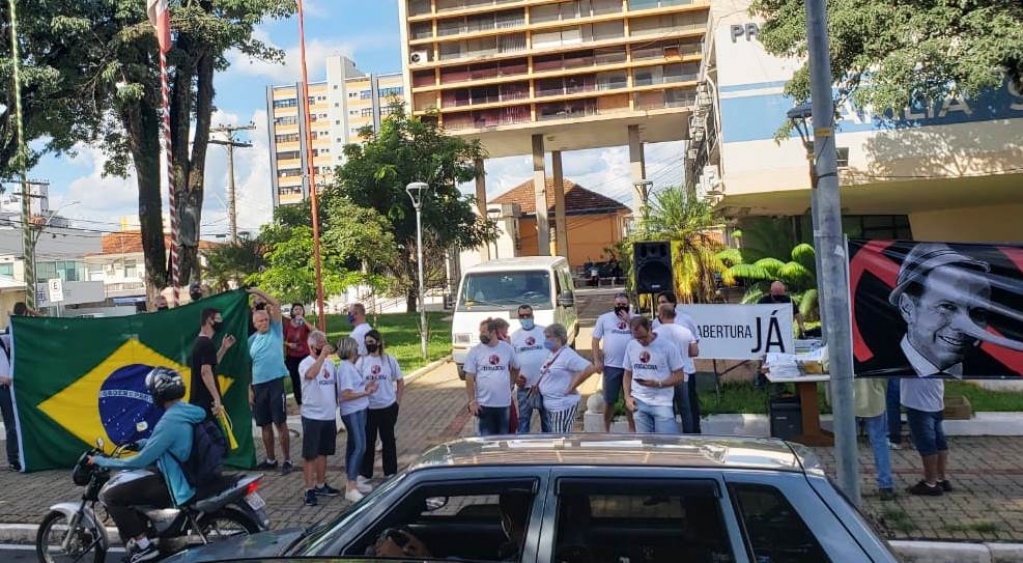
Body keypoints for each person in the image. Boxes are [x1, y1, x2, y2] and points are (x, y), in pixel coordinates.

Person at [887, 244, 992, 496]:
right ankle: (942, 478)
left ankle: (931, 482)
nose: (965, 326)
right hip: (932, 400)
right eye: (947, 306)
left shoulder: (938, 360)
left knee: (927, 442)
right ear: (908, 308)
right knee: (939, 439)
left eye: (976, 311)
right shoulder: (908, 358)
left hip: (921, 402)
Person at [89, 368, 206, 563]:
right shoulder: (186, 411)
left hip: (175, 484)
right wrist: (142, 443)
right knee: (137, 484)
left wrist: (103, 461)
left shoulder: (169, 420)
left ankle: (145, 548)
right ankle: (150, 532)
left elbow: (139, 462)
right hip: (184, 474)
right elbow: (167, 442)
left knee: (112, 495)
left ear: (159, 394)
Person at [247, 287, 293, 475]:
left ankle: (287, 459)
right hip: (258, 385)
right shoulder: (250, 341)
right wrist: (249, 388)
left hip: (275, 383)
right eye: (261, 321)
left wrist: (257, 291)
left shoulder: (276, 330)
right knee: (264, 424)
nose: (265, 322)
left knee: (280, 422)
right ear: (255, 323)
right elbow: (248, 366)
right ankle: (270, 458)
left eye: (266, 319)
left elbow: (276, 304)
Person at [298, 331, 341, 506]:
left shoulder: (331, 365)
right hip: (312, 415)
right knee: (310, 454)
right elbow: (310, 375)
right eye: (320, 344)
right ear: (312, 346)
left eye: (325, 343)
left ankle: (321, 484)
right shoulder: (305, 363)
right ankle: (309, 489)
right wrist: (322, 357)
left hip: (328, 415)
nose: (324, 347)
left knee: (323, 452)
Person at [623, 316, 685, 434]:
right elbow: (627, 374)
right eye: (637, 338)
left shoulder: (668, 347)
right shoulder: (631, 346)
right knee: (646, 445)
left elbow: (680, 375)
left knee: (667, 444)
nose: (641, 341)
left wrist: (659, 383)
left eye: (643, 337)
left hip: (662, 402)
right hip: (639, 401)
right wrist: (627, 397)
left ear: (650, 329)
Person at [357, 329, 404, 480]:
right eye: (366, 342)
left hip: (387, 406)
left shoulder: (389, 360)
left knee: (388, 440)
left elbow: (400, 380)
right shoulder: (362, 361)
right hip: (368, 407)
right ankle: (365, 473)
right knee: (368, 441)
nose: (368, 345)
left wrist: (397, 401)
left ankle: (390, 472)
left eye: (371, 342)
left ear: (378, 342)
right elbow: (355, 382)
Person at [336, 337, 377, 502]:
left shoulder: (350, 367)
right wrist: (366, 393)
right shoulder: (345, 368)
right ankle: (351, 486)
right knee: (360, 446)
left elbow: (355, 388)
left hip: (359, 409)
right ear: (351, 350)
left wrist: (367, 388)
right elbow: (345, 394)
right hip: (352, 411)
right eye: (356, 347)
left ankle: (352, 481)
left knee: (354, 445)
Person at [538, 323, 598, 434]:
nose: (545, 340)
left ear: (558, 339)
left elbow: (589, 368)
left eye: (548, 337)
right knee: (557, 437)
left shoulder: (567, 355)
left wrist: (572, 386)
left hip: (561, 405)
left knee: (559, 439)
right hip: (551, 404)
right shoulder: (553, 354)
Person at [464, 318, 520, 436]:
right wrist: (472, 401)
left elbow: (516, 367)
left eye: (484, 332)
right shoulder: (475, 351)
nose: (481, 335)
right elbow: (469, 377)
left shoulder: (507, 349)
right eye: (480, 332)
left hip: (504, 404)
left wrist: (511, 383)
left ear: (493, 332)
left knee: (503, 439)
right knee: (485, 441)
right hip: (484, 405)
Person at [591, 292, 636, 432]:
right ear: (613, 305)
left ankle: (632, 430)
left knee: (630, 400)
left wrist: (629, 321)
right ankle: (606, 429)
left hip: (632, 367)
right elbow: (595, 340)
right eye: (618, 305)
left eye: (623, 305)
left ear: (628, 305)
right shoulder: (604, 319)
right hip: (611, 366)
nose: (620, 307)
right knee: (609, 400)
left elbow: (643, 335)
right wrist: (597, 360)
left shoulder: (636, 319)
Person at [652, 303, 699, 433]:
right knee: (685, 408)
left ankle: (669, 437)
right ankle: (689, 436)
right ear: (674, 315)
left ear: (661, 315)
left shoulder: (655, 333)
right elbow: (695, 352)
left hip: (664, 377)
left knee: (667, 408)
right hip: (682, 375)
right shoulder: (686, 331)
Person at [190, 308, 236, 420]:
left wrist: (223, 348)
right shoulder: (206, 343)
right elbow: (205, 372)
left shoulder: (200, 341)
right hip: (206, 402)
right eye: (218, 319)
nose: (221, 322)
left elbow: (212, 363)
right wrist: (216, 399)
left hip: (199, 401)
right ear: (210, 320)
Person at [855, 377, 896, 501]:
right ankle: (886, 484)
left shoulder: (839, 355)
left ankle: (847, 482)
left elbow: (827, 367)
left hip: (846, 399)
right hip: (874, 400)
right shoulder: (874, 355)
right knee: (880, 443)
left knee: (846, 445)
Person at [510, 305, 549, 433]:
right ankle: (523, 448)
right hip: (524, 387)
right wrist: (515, 379)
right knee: (524, 422)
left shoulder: (544, 332)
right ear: (518, 317)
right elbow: (510, 362)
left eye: (528, 315)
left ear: (533, 316)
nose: (525, 318)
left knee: (547, 421)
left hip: (544, 386)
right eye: (522, 316)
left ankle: (550, 448)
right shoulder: (514, 337)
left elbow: (556, 353)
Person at [284, 303, 315, 405]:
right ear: (292, 311)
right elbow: (282, 339)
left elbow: (313, 331)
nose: (298, 311)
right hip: (292, 356)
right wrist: (289, 345)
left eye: (300, 309)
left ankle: (309, 398)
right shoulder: (288, 324)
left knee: (306, 377)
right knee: (295, 379)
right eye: (296, 309)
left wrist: (303, 320)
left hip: (304, 355)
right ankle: (299, 402)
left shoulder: (304, 324)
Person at [0, 333, 16, 471]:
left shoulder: (2, 340)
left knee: (11, 424)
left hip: (4, 390)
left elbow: (20, 332)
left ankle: (13, 459)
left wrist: (28, 311)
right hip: (3, 384)